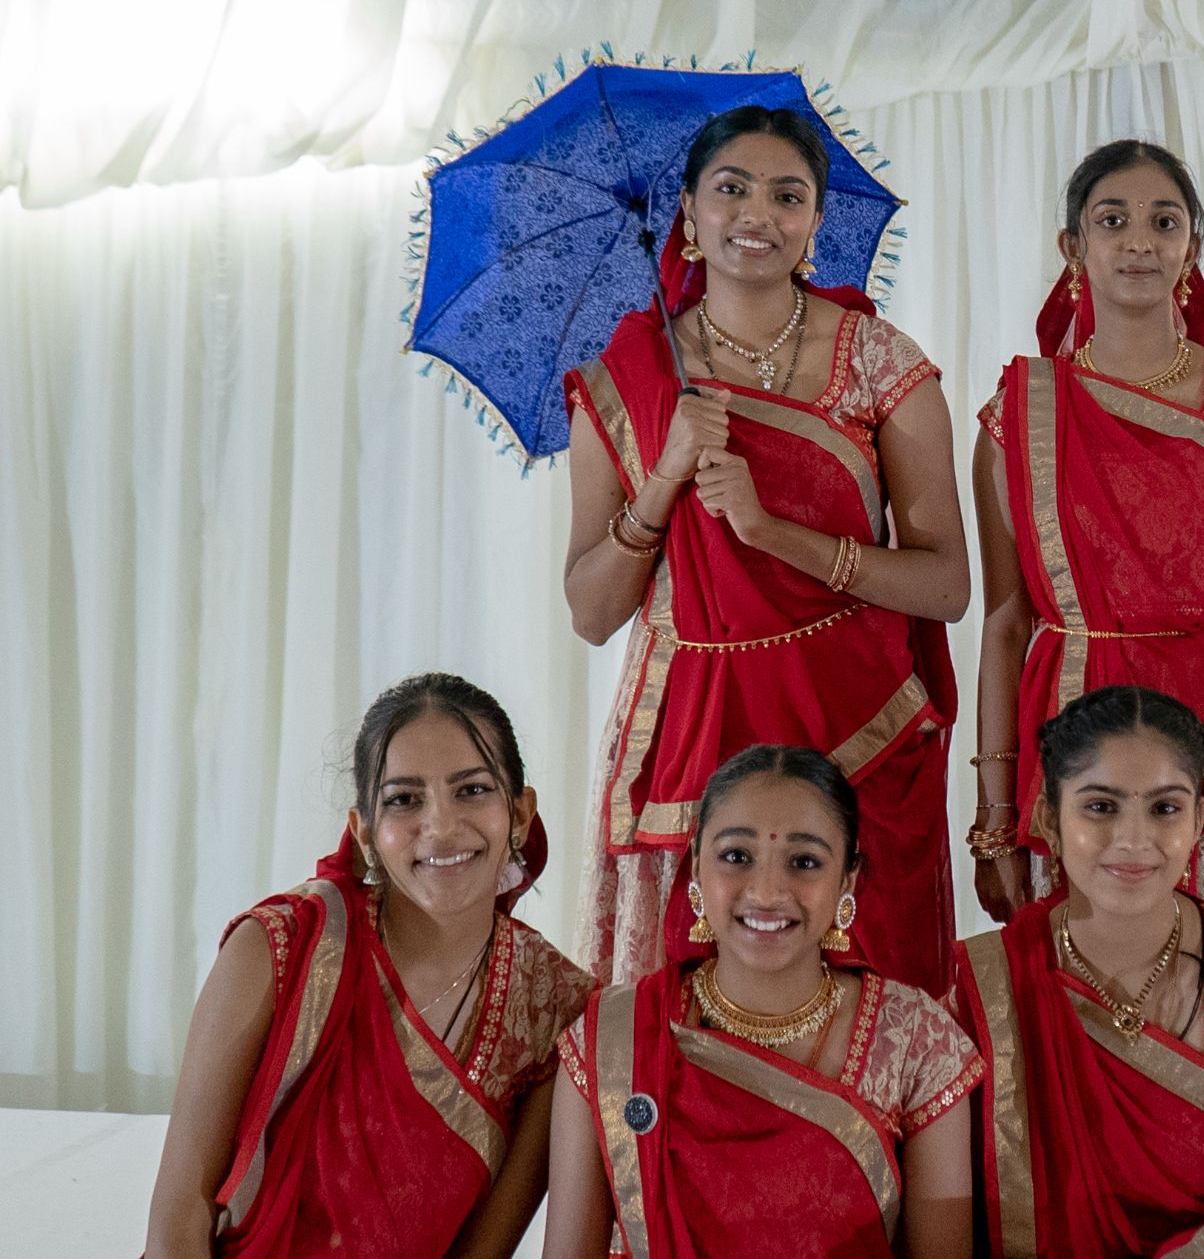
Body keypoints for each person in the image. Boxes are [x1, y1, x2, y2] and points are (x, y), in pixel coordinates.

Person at [563, 105, 968, 994]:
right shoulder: (626, 379)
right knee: (698, 1012)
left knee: (868, 1014)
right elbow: (591, 612)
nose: (758, 214)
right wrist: (666, 475)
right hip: (695, 731)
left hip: (857, 728)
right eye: (732, 189)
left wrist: (772, 532)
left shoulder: (880, 362)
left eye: (788, 196)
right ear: (688, 212)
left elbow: (945, 585)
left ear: (816, 221)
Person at [971, 140, 1204, 959]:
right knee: (1088, 989)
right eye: (1112, 220)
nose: (1139, 241)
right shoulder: (1019, 415)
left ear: (1191, 248)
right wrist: (994, 818)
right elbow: (1004, 622)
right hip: (1075, 737)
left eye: (1164, 222)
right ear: (1073, 246)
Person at [144, 674, 596, 1258]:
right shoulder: (281, 949)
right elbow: (178, 1220)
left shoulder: (557, 1010)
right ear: (363, 832)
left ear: (520, 812)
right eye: (404, 799)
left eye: (472, 790)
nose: (441, 827)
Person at [953, 687, 1204, 1259]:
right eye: (1101, 807)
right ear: (1049, 820)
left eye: (1165, 808)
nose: (1133, 840)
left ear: (1199, 820)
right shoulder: (982, 990)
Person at [545, 745, 982, 1259]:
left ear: (847, 879)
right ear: (696, 868)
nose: (768, 892)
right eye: (736, 857)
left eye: (804, 862)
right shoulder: (613, 1039)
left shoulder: (915, 1042)